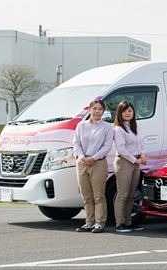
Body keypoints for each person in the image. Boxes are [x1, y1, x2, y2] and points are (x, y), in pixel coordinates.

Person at [72, 99, 114, 233]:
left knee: (98, 195)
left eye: (100, 109)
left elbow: (107, 146)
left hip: (98, 163)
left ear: (103, 111)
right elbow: (76, 143)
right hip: (82, 162)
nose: (97, 111)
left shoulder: (107, 127)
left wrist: (93, 158)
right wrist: (82, 157)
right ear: (90, 110)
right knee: (86, 195)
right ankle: (89, 222)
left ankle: (99, 222)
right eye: (94, 108)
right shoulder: (81, 125)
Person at [113, 100, 147, 233]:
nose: (128, 113)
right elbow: (121, 149)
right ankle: (119, 223)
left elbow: (141, 144)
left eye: (130, 110)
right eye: (125, 110)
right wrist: (135, 160)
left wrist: (143, 155)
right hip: (124, 162)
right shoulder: (118, 129)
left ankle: (128, 222)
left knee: (132, 194)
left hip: (136, 162)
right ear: (120, 113)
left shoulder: (134, 127)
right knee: (123, 194)